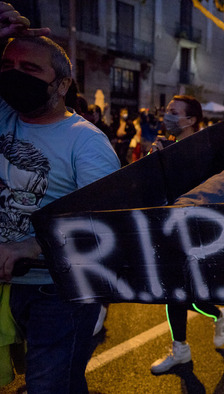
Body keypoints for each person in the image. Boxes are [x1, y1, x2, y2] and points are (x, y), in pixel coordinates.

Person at [0, 4, 120, 392]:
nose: (15, 76)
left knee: (50, 385)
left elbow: (105, 223)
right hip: (7, 285)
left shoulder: (86, 142)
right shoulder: (5, 114)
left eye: (31, 70)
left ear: (63, 84)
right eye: (7, 66)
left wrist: (29, 245)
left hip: (59, 290)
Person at [150, 95, 224, 375]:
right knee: (175, 291)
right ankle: (180, 349)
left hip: (198, 232)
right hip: (169, 227)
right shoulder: (167, 147)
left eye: (174, 112)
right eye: (167, 111)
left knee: (189, 293)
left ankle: (218, 314)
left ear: (191, 120)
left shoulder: (206, 148)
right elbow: (154, 187)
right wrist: (155, 160)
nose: (168, 116)